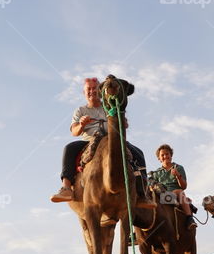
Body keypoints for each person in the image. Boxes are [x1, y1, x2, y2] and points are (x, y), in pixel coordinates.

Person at [50, 77, 154, 208]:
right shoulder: (80, 110)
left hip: (111, 140)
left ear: (100, 91)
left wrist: (121, 117)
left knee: (138, 153)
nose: (92, 91)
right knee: (69, 148)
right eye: (89, 89)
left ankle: (142, 193)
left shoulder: (108, 106)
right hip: (89, 141)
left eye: (94, 88)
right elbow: (74, 132)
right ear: (84, 92)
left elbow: (124, 124)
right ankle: (66, 188)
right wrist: (81, 124)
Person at [148, 144, 195, 229]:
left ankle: (189, 219)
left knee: (179, 191)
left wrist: (177, 175)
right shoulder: (156, 173)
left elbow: (184, 186)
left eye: (167, 154)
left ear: (171, 155)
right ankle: (138, 230)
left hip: (175, 194)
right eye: (162, 155)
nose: (165, 156)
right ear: (159, 158)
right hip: (162, 195)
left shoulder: (179, 168)